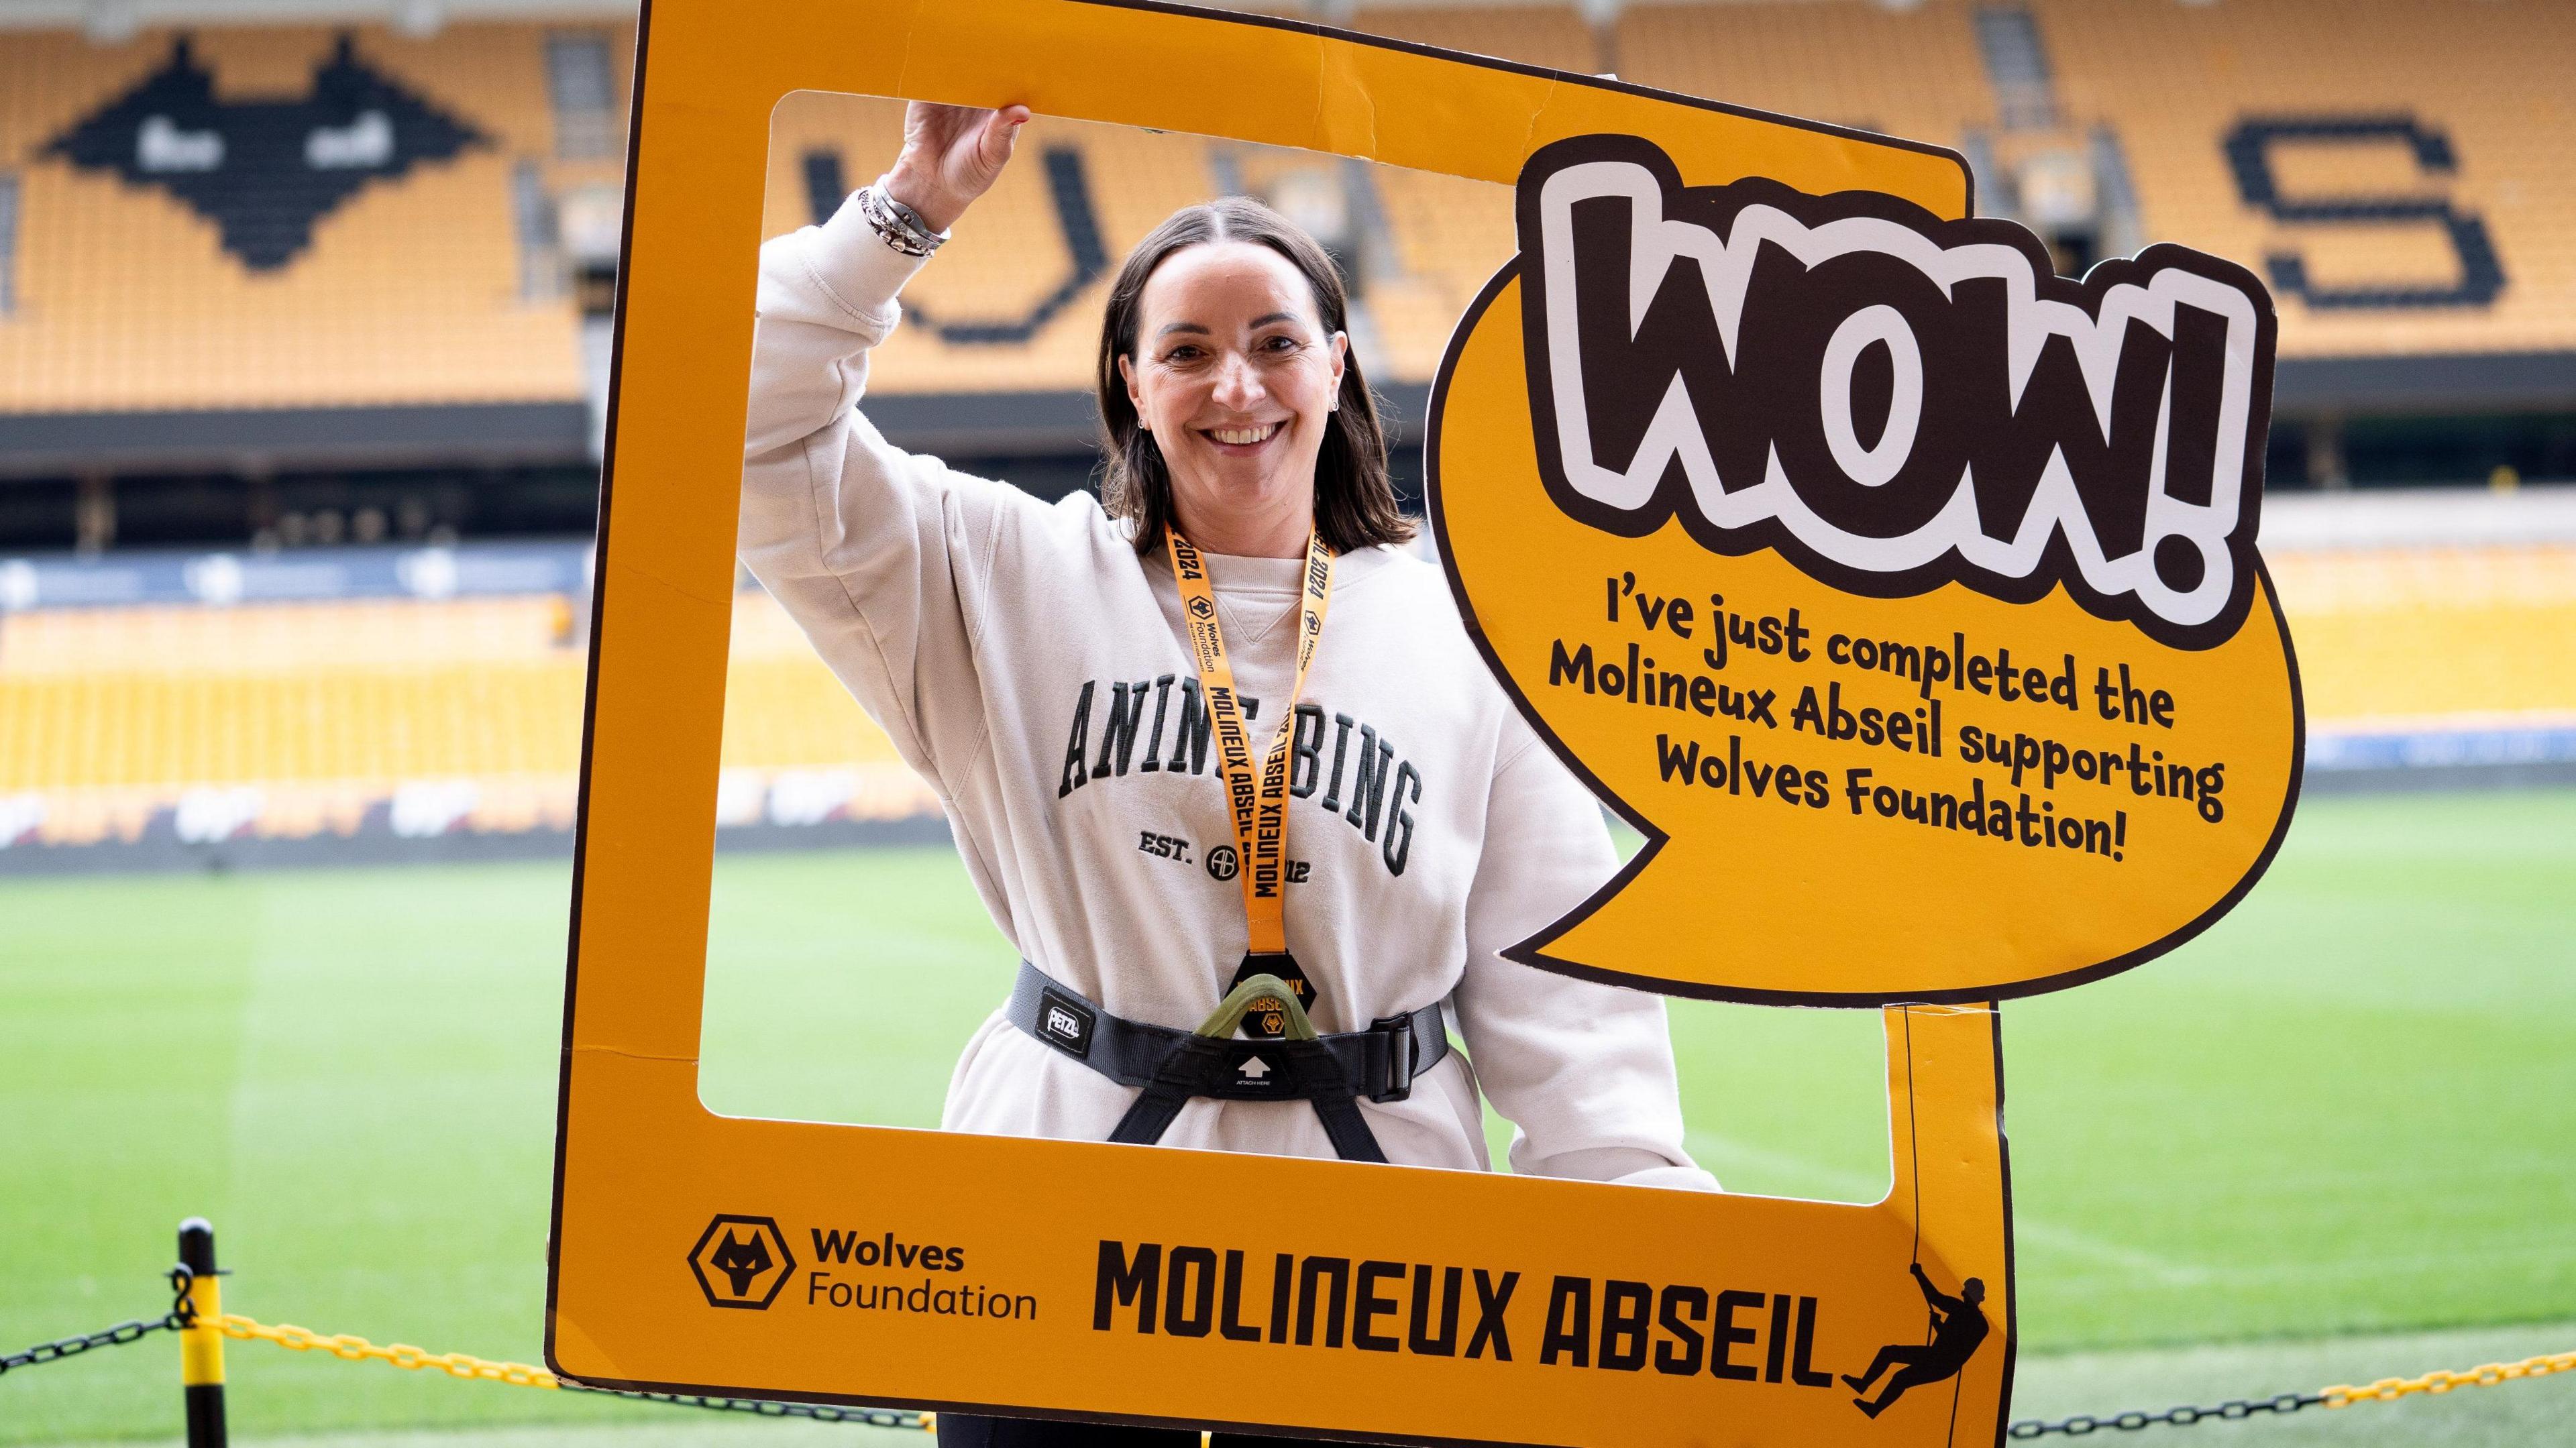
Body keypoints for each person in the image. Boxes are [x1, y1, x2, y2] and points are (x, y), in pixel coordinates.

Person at [740, 100, 1715, 1442]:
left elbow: (1572, 1016)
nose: (1236, 387)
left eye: (1273, 344)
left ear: (1337, 365)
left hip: (1380, 1262)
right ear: (1131, 382)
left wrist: (1653, 1250)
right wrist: (911, 204)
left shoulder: (1471, 635)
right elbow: (722, 410)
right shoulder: (1001, 573)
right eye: (1186, 350)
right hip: (1051, 1234)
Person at [1843, 1266, 1989, 1418]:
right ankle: (1873, 1407)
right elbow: (1954, 1342)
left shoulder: (1961, 1310)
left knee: (1890, 1354)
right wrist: (1937, 1325)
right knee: (1901, 1377)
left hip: (1937, 1358)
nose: (1965, 1296)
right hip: (1946, 1365)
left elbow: (1935, 1298)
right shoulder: (1980, 1324)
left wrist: (1919, 1274)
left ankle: (1865, 1387)